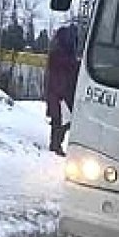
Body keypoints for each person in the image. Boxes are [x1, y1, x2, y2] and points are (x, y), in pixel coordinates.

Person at [45, 24, 80, 156]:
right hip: (59, 93)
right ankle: (55, 145)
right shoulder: (58, 54)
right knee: (59, 120)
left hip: (62, 92)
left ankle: (56, 144)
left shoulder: (63, 53)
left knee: (62, 120)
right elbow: (68, 67)